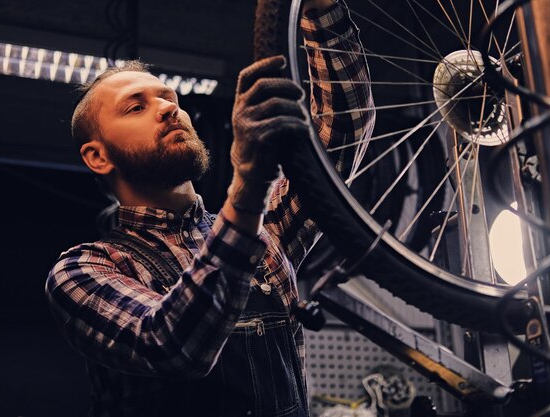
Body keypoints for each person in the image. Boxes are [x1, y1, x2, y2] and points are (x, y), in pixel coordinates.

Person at [46, 0, 374, 416]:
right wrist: (249, 182)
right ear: (97, 156)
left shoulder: (264, 230)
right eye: (136, 106)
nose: (169, 107)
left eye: (170, 97)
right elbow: (169, 345)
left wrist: (320, 9)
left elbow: (341, 135)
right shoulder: (83, 272)